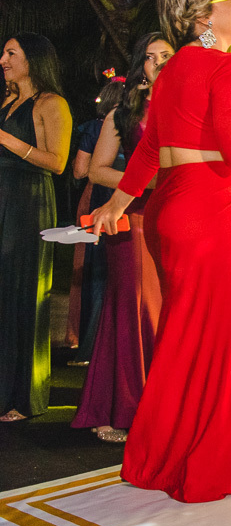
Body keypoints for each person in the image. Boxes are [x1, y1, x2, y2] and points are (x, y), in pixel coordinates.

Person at [91, 0, 231, 501]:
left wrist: (117, 203)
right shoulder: (228, 67)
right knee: (219, 340)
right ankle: (208, 463)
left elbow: (148, 151)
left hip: (174, 211)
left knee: (183, 338)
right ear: (202, 17)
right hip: (213, 211)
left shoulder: (170, 72)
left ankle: (159, 457)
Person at [71, 33, 173, 442]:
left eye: (167, 55)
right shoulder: (124, 112)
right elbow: (96, 170)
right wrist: (150, 183)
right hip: (134, 220)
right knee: (133, 307)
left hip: (179, 219)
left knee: (170, 311)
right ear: (140, 69)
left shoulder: (187, 108)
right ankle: (123, 407)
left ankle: (166, 406)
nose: (159, 63)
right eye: (150, 58)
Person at [0, 32, 72, 422]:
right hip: (2, 198)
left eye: (11, 53)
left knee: (23, 294)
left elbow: (57, 162)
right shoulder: (9, 102)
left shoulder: (51, 103)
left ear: (34, 59)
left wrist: (6, 140)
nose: (2, 60)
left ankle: (23, 398)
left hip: (29, 203)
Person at [66, 78, 127, 365]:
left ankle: (90, 346)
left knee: (96, 273)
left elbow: (79, 171)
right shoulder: (140, 125)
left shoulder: (95, 128)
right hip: (136, 202)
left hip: (101, 201)